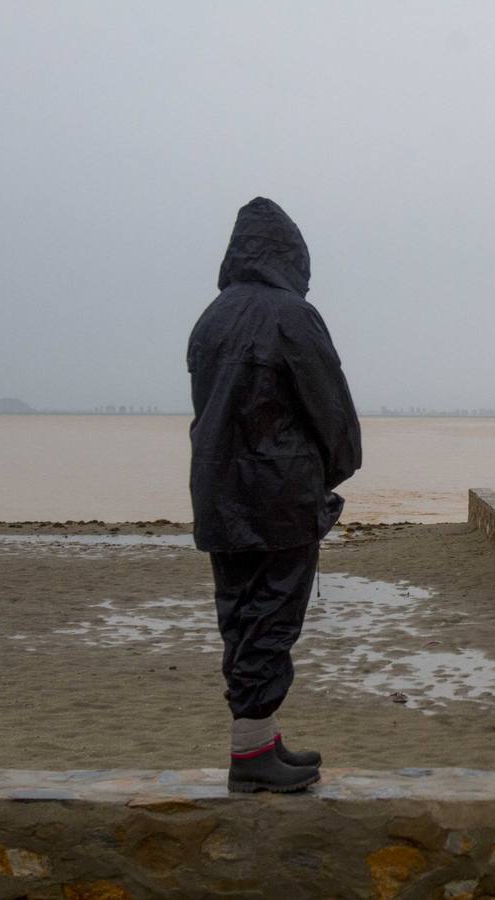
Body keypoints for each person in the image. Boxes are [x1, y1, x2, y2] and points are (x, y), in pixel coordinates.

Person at [188, 197, 362, 793]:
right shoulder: (294, 316)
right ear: (292, 255)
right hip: (280, 495)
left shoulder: (210, 320)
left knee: (239, 618)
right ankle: (252, 758)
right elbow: (331, 411)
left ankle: (257, 741)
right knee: (272, 620)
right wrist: (326, 477)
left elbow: (209, 412)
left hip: (217, 492)